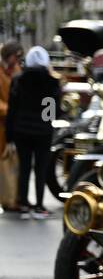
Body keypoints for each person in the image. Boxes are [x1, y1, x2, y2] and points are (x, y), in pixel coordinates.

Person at [5, 46, 61, 218]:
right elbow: (51, 112)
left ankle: (23, 203)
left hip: (21, 130)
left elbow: (12, 109)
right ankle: (38, 204)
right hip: (43, 132)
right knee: (41, 168)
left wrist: (9, 135)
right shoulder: (51, 81)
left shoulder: (18, 80)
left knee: (25, 167)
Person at [0, 41, 21, 212]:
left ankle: (13, 198)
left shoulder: (18, 71)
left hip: (15, 125)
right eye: (16, 56)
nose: (18, 60)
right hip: (2, 124)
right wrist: (10, 110)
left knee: (13, 163)